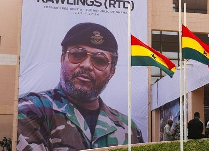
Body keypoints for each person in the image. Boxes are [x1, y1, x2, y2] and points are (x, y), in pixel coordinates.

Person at [17, 22, 144, 150]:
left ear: (112, 72)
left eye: (99, 60)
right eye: (77, 55)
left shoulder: (128, 128)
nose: (87, 65)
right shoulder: (30, 110)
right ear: (62, 59)